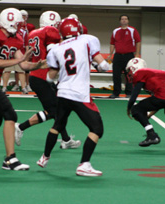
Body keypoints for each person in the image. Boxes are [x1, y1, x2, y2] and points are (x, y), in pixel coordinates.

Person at [0, 8, 46, 170]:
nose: (20, 27)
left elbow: (23, 63)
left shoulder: (17, 38)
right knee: (10, 114)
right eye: (18, 23)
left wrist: (37, 65)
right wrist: (20, 61)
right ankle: (10, 159)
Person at [36, 17, 110, 176]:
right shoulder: (86, 40)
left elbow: (50, 77)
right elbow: (104, 66)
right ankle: (84, 164)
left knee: (58, 125)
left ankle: (44, 157)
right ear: (78, 29)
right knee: (97, 129)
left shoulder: (56, 48)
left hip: (62, 93)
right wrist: (98, 64)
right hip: (79, 94)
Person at [14, 11, 81, 149]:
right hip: (43, 77)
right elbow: (53, 51)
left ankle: (66, 139)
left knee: (59, 109)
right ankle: (20, 127)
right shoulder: (50, 31)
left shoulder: (33, 33)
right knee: (53, 111)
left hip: (36, 75)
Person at [106, 15, 141, 98]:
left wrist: (137, 54)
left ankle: (129, 93)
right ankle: (116, 93)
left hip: (129, 56)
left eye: (125, 19)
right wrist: (110, 54)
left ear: (128, 21)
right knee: (116, 75)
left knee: (129, 75)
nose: (124, 20)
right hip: (118, 56)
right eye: (122, 19)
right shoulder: (115, 31)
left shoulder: (133, 30)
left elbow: (138, 42)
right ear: (120, 21)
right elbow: (112, 43)